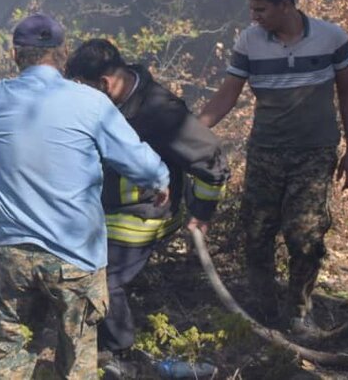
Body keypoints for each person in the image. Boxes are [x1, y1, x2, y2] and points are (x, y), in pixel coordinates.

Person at [0, 14, 170, 380]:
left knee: (4, 353)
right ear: (63, 52)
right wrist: (161, 178)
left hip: (15, 254)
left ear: (15, 55)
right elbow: (140, 163)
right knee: (78, 360)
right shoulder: (92, 103)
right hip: (76, 257)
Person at [199, 0, 348, 336]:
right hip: (265, 151)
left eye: (261, 10)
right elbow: (228, 95)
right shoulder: (249, 42)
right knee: (256, 233)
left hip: (313, 152)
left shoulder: (331, 38)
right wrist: (190, 131)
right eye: (252, 10)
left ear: (285, 4)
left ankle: (299, 313)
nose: (254, 18)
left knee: (304, 235)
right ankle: (263, 311)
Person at [66, 39, 230, 378]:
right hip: (106, 208)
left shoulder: (160, 111)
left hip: (143, 214)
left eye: (83, 89)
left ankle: (119, 355)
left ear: (105, 83)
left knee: (103, 276)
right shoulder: (112, 104)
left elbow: (211, 159)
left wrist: (202, 214)